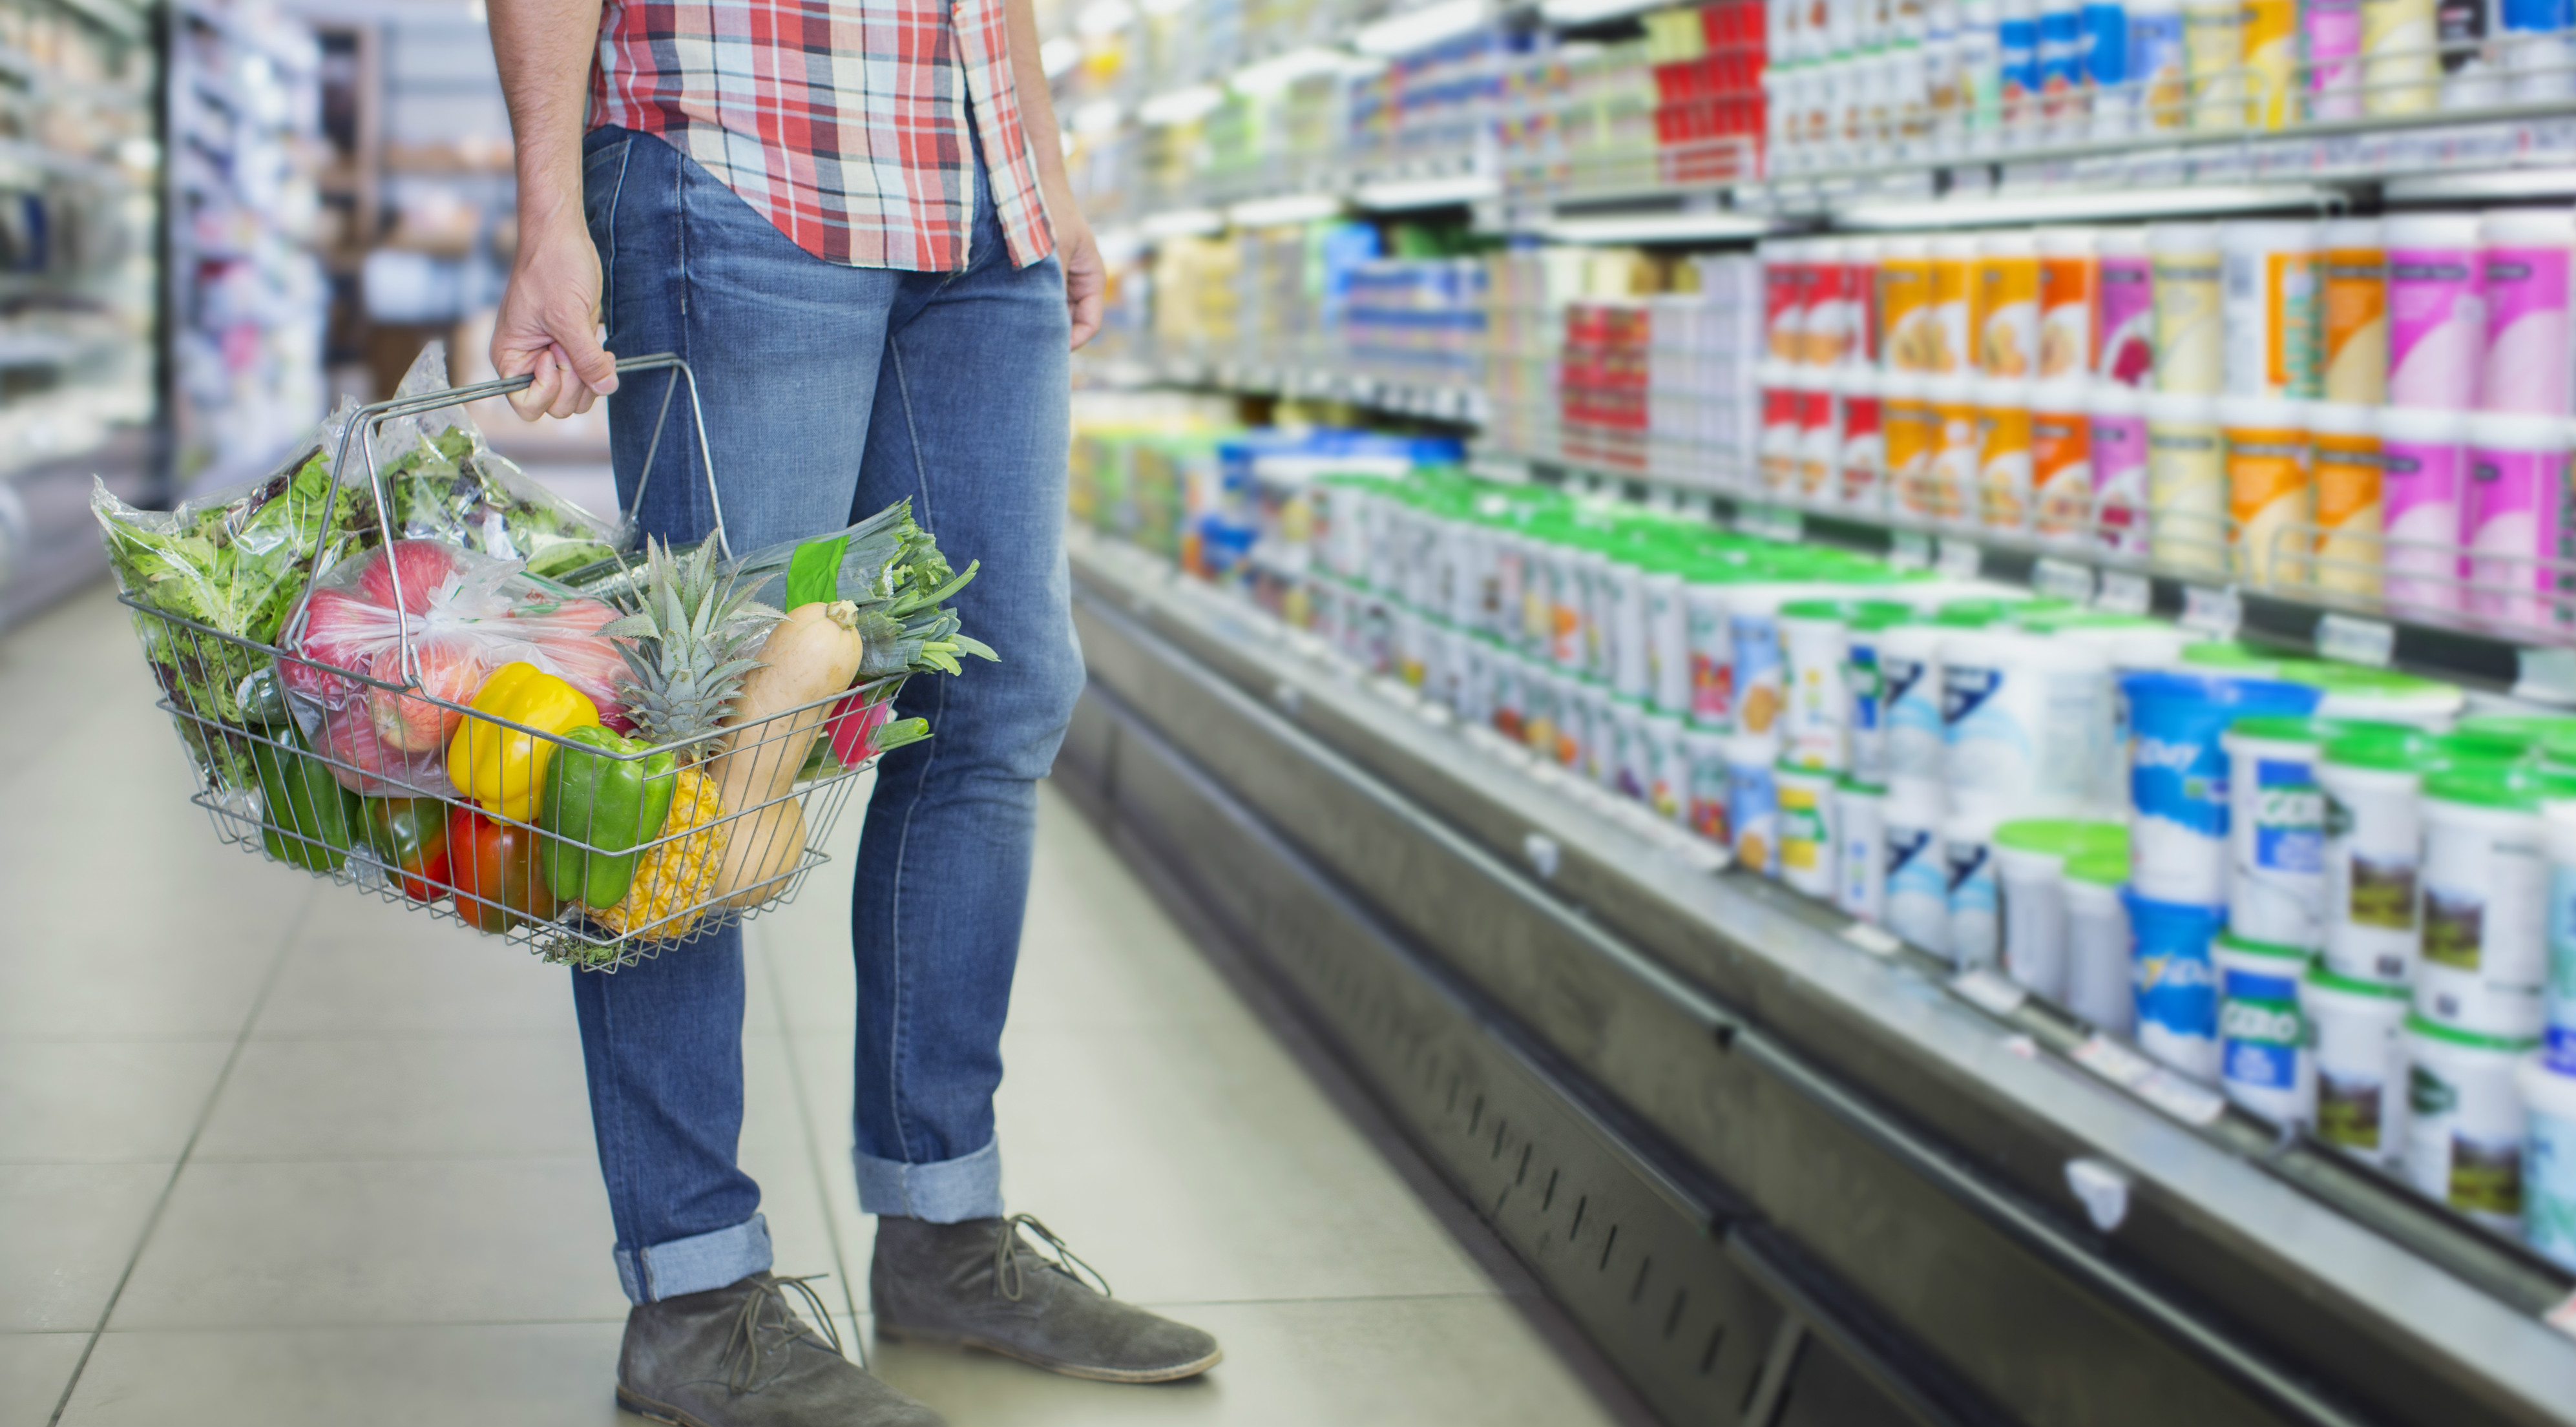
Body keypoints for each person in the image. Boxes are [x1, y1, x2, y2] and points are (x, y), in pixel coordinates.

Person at [481, 0, 1220, 1420]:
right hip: (740, 156)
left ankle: (942, 1226)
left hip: (976, 196)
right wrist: (549, 203)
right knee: (696, 746)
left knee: (993, 697)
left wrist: (1047, 189)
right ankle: (694, 1294)